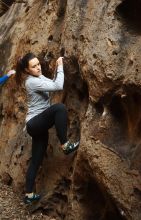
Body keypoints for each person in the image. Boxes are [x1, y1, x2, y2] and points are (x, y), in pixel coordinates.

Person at [15, 53, 79, 204]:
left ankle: (29, 195)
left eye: (38, 64)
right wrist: (61, 66)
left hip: (38, 126)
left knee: (36, 160)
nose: (38, 67)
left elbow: (53, 82)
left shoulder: (39, 77)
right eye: (34, 66)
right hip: (34, 123)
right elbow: (58, 86)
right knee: (60, 108)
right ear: (26, 70)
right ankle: (65, 144)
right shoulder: (31, 82)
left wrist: (57, 69)